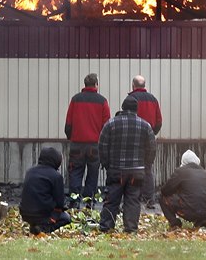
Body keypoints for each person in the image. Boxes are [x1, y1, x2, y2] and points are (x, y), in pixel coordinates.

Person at [98, 96, 156, 233]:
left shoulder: (110, 124)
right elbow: (152, 148)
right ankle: (131, 228)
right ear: (137, 109)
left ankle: (106, 227)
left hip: (116, 170)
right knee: (133, 200)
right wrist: (146, 165)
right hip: (137, 171)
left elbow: (102, 146)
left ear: (122, 107)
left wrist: (107, 164)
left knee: (111, 199)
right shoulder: (145, 126)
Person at [64, 73, 111, 209]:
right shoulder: (102, 101)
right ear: (96, 84)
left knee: (75, 172)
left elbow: (68, 123)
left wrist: (71, 137)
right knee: (92, 174)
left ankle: (74, 201)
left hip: (77, 144)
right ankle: (89, 201)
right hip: (94, 145)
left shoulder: (75, 99)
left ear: (84, 84)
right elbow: (106, 125)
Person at [19, 147, 71, 235]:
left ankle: (34, 226)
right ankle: (45, 229)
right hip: (43, 214)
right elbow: (59, 202)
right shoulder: (56, 176)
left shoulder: (30, 172)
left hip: (25, 213)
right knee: (66, 218)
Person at [128, 75, 162, 209]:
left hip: (134, 140)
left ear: (133, 85)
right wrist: (152, 133)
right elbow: (159, 121)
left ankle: (134, 198)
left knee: (132, 168)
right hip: (149, 140)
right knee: (147, 169)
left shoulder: (131, 99)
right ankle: (149, 200)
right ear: (144, 85)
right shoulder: (153, 99)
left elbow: (128, 119)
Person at [159, 149, 206, 229]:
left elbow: (165, 190)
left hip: (188, 211)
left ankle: (175, 223)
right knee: (201, 200)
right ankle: (201, 222)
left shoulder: (180, 172)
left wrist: (177, 191)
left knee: (162, 197)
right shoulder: (205, 173)